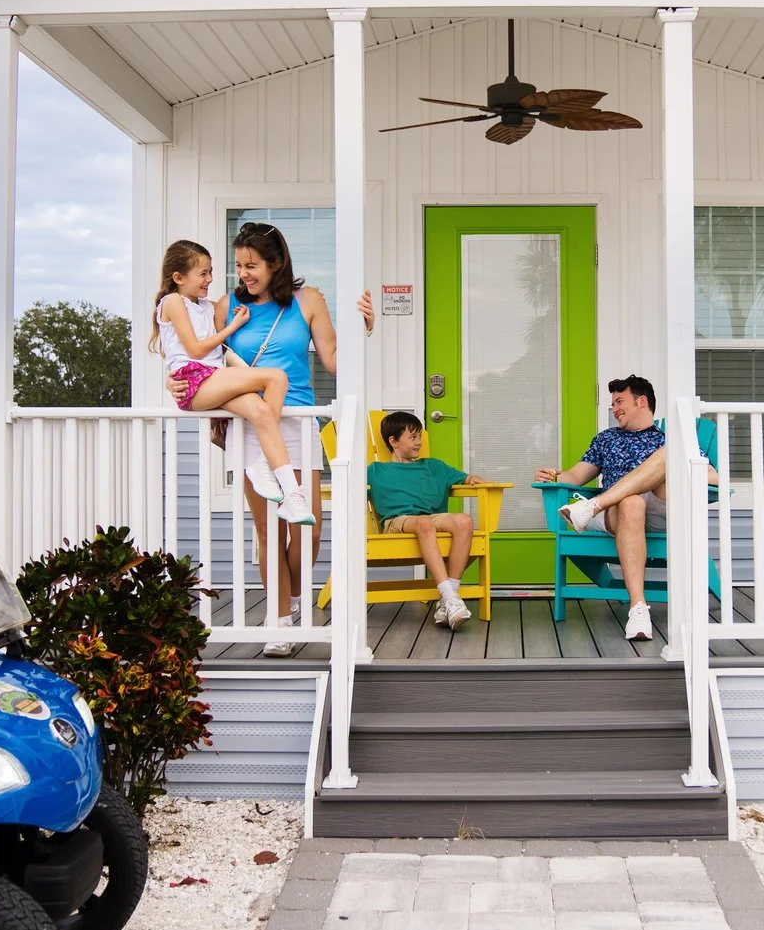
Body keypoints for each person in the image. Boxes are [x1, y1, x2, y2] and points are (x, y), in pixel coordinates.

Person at [220, 220, 374, 655]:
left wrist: (362, 331)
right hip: (250, 422)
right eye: (238, 266)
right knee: (269, 529)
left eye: (251, 265)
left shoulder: (309, 301)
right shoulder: (228, 304)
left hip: (297, 421)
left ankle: (292, 599)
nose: (244, 275)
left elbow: (334, 362)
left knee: (307, 531)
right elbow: (207, 356)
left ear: (277, 263)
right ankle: (281, 620)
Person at [150, 240, 315, 525]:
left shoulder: (204, 306)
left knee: (262, 411)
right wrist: (233, 326)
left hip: (211, 380)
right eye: (202, 273)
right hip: (195, 380)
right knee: (276, 377)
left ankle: (291, 497)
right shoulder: (174, 301)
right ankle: (264, 462)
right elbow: (196, 350)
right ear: (178, 278)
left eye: (211, 271)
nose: (210, 279)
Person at [535, 375, 680, 641]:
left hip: (658, 511)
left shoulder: (666, 441)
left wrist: (670, 466)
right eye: (613, 403)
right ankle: (638, 608)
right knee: (631, 502)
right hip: (618, 514)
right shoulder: (606, 439)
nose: (614, 409)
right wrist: (555, 476)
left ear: (642, 401)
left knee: (669, 455)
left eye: (620, 401)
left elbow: (712, 475)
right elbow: (576, 477)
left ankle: (591, 506)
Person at [367, 410, 501, 631]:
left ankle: (449, 601)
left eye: (420, 436)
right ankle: (450, 597)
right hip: (396, 522)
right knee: (424, 522)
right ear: (393, 441)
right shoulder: (377, 470)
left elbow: (467, 478)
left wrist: (477, 480)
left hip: (428, 519)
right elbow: (346, 484)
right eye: (412, 437)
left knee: (465, 521)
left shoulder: (434, 466)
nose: (419, 442)